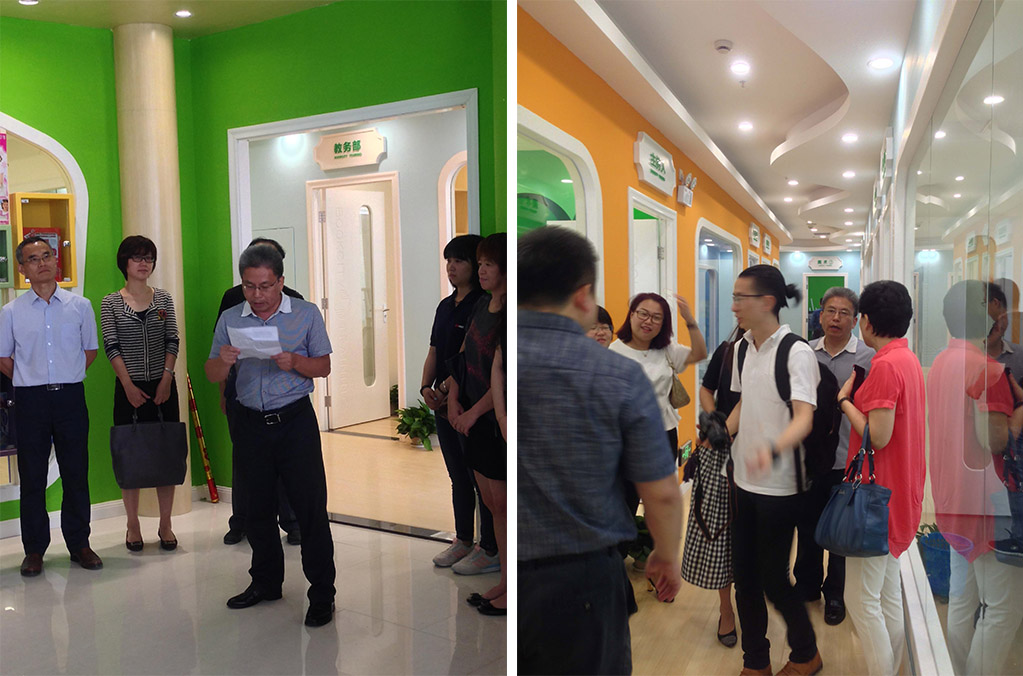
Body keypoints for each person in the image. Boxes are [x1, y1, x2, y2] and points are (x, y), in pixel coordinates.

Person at [518, 227, 682, 674]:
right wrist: (665, 555)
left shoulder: (502, 355)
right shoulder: (618, 375)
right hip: (582, 582)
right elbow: (661, 493)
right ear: (584, 294)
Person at [205, 243, 336, 627]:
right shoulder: (231, 318)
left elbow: (324, 366)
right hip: (250, 424)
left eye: (265, 286)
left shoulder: (305, 314)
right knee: (257, 510)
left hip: (295, 422)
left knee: (310, 510)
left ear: (280, 281)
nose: (257, 295)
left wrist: (295, 361)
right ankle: (265, 582)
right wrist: (223, 363)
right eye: (249, 286)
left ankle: (322, 594)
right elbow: (211, 372)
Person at [724, 264, 821, 676]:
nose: (733, 306)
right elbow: (745, 402)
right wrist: (721, 432)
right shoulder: (742, 347)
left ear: (767, 302)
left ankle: (806, 653)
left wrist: (772, 449)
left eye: (739, 298)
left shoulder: (796, 352)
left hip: (780, 489)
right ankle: (756, 662)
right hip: (742, 482)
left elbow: (804, 418)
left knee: (774, 580)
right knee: (744, 577)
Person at [928, 280, 1021, 675]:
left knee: (963, 598)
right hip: (989, 505)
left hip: (954, 499)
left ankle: (955, 668)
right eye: (993, 305)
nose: (1001, 312)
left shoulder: (941, 362)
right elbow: (995, 440)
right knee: (1003, 608)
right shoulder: (988, 370)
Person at [834, 281, 924, 676]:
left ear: (866, 321)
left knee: (860, 599)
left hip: (878, 501)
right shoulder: (907, 359)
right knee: (887, 595)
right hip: (898, 493)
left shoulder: (886, 365)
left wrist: (844, 402)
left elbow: (878, 436)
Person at [0, 236, 102, 576]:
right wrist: (30, 378)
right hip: (30, 401)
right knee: (32, 477)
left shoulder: (80, 306)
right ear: (22, 269)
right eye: (33, 258)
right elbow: (3, 358)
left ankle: (80, 544)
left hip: (70, 397)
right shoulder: (10, 312)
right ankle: (34, 550)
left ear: (55, 260)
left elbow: (90, 351)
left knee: (76, 472)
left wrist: (65, 375)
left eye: (47, 255)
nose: (42, 262)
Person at [794, 287, 875, 626]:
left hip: (848, 458)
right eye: (830, 310)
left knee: (841, 533)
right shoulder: (804, 352)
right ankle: (807, 585)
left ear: (855, 321)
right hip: (810, 458)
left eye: (844, 313)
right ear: (820, 315)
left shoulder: (867, 357)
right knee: (808, 525)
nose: (836, 318)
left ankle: (836, 595)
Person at [219, 237, 303, 546]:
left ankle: (291, 521)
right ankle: (241, 521)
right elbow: (221, 351)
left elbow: (308, 355)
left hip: (283, 397)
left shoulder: (296, 303)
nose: (257, 293)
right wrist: (223, 392)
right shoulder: (232, 299)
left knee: (285, 464)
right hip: (242, 392)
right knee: (245, 461)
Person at [420, 234, 497, 571]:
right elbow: (435, 350)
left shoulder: (484, 305)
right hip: (443, 402)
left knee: (482, 479)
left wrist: (447, 388)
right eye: (448, 261)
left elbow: (469, 357)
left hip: (472, 403)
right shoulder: (445, 305)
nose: (452, 267)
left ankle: (489, 546)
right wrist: (426, 387)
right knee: (458, 477)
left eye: (460, 261)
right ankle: (463, 539)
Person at [100, 235, 182, 552]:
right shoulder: (111, 302)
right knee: (129, 456)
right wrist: (128, 385)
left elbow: (172, 339)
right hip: (128, 388)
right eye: (137, 257)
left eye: (148, 258)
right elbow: (111, 346)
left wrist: (166, 379)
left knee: (166, 454)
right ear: (125, 263)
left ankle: (165, 524)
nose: (143, 263)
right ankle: (132, 524)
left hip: (163, 386)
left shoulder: (163, 299)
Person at [446, 232, 507, 614]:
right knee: (491, 502)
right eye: (480, 263)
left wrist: (473, 412)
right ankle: (505, 581)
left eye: (489, 264)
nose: (482, 271)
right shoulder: (482, 305)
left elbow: (503, 377)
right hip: (472, 416)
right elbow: (465, 355)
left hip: (495, 420)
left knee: (504, 503)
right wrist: (454, 398)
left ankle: (513, 584)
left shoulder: (511, 315)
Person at [687, 322, 743, 648]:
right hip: (720, 451)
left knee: (753, 535)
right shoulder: (728, 350)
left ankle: (751, 599)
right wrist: (716, 424)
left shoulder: (782, 353)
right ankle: (726, 610)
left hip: (761, 454)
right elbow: (706, 389)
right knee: (720, 533)